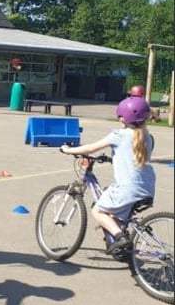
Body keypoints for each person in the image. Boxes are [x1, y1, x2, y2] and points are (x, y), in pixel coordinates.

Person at [60, 96, 155, 254]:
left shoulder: (118, 135)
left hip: (127, 189)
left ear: (123, 119)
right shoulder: (148, 138)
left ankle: (119, 237)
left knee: (97, 210)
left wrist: (67, 150)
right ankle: (120, 242)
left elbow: (90, 149)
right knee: (114, 209)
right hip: (148, 188)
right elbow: (133, 157)